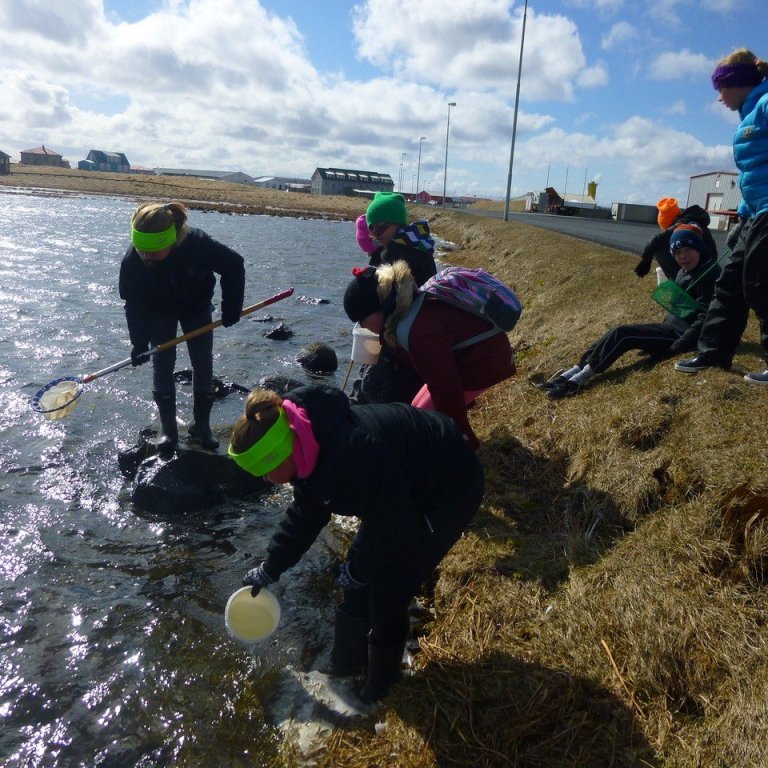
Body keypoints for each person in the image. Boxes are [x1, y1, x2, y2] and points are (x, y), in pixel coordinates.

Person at [228, 384, 484, 704]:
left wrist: (362, 568)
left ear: (280, 453)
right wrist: (271, 566)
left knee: (387, 592)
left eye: (266, 472)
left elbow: (397, 524)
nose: (265, 480)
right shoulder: (306, 441)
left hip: (447, 485)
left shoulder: (350, 453)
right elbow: (308, 513)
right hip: (400, 488)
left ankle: (378, 689)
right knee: (358, 581)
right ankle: (346, 666)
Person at [342, 261, 516, 449]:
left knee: (425, 420)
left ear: (381, 307)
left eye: (362, 318)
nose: (361, 326)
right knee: (417, 410)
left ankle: (462, 451)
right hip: (476, 354)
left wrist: (461, 436)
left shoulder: (417, 332)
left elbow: (446, 389)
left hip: (483, 363)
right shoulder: (413, 305)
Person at [119, 202, 245, 450]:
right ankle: (169, 431)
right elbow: (134, 305)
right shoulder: (133, 261)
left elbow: (233, 265)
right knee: (162, 362)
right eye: (142, 250)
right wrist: (138, 342)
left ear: (171, 239)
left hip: (196, 308)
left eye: (153, 252)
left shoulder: (198, 244)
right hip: (159, 312)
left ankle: (202, 427)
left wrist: (231, 307)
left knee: (202, 361)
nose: (147, 257)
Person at [674, 49, 768, 383]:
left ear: (739, 83)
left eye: (721, 88)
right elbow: (754, 177)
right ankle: (713, 355)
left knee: (760, 283)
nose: (718, 97)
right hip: (756, 213)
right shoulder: (749, 117)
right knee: (728, 284)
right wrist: (742, 215)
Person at [543, 223, 719, 398]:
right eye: (678, 253)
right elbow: (685, 307)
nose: (683, 257)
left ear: (699, 249)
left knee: (624, 334)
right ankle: (573, 371)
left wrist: (676, 347)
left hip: (679, 336)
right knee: (615, 331)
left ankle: (578, 381)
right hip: (669, 328)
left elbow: (704, 318)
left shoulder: (709, 274)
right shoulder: (685, 271)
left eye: (688, 250)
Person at [351, 193, 438, 405]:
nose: (375, 235)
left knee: (376, 388)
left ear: (397, 224)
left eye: (379, 229)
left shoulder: (396, 256)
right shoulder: (419, 246)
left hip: (403, 336)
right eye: (372, 231)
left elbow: (393, 306)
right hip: (416, 334)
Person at [634, 197, 718, 280]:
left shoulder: (681, 226)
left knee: (658, 248)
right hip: (711, 263)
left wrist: (646, 261)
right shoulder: (691, 219)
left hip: (702, 272)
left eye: (665, 228)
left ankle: (678, 283)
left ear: (669, 223)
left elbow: (654, 241)